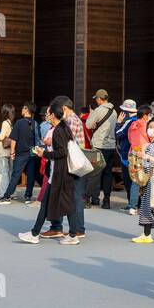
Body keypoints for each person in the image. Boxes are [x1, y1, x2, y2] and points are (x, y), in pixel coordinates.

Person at [18, 99, 78, 245]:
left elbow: (61, 152)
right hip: (63, 173)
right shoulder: (64, 127)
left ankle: (36, 234)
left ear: (52, 115)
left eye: (48, 113)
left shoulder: (58, 131)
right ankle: (69, 234)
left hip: (59, 174)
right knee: (61, 204)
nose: (46, 116)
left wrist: (44, 154)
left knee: (55, 204)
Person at [58, 97, 88, 237]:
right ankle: (78, 228)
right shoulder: (74, 119)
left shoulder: (71, 120)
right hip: (77, 162)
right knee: (75, 196)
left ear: (64, 108)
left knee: (75, 196)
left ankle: (78, 229)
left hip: (74, 163)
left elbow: (65, 141)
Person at [0, 103, 39, 203]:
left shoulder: (19, 123)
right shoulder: (35, 123)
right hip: (32, 153)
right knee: (31, 175)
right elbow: (38, 140)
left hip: (21, 153)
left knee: (15, 175)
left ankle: (7, 196)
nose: (21, 109)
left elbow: (14, 139)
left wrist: (12, 152)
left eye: (23, 108)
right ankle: (28, 196)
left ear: (26, 110)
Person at [86, 90, 118, 209]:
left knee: (95, 172)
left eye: (96, 99)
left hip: (99, 144)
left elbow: (88, 125)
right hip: (110, 145)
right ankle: (106, 200)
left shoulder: (98, 111)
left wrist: (92, 116)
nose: (96, 100)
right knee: (107, 173)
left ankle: (88, 198)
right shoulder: (114, 111)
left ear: (99, 99)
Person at [115, 100, 138, 211]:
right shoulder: (139, 120)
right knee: (137, 179)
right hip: (137, 153)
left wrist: (118, 122)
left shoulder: (129, 122)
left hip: (126, 154)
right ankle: (136, 203)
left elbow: (118, 133)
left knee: (128, 180)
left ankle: (131, 203)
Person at [0, 104, 15, 199]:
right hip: (9, 151)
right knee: (9, 173)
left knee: (2, 174)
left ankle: (3, 195)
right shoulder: (10, 123)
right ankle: (10, 193)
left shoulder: (5, 123)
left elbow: (1, 137)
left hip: (3, 152)